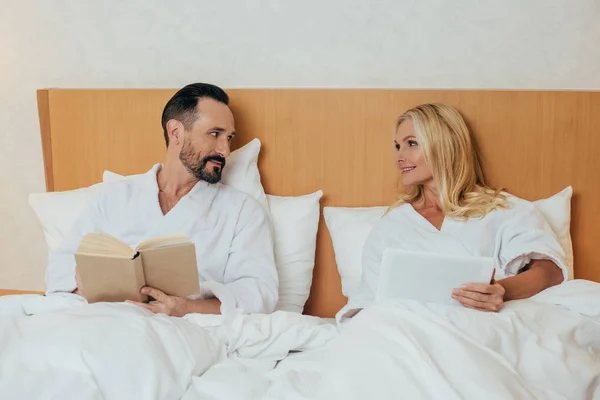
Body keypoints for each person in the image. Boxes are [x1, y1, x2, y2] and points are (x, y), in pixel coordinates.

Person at [45, 83, 279, 316]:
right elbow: (59, 269)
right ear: (176, 132)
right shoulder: (114, 196)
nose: (225, 150)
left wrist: (185, 308)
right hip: (102, 319)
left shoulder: (241, 211)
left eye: (229, 138)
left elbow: (258, 293)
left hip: (179, 330)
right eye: (215, 134)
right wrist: (85, 287)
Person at [337, 103, 567, 322]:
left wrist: (502, 291)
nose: (400, 156)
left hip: (482, 324)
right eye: (397, 146)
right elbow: (368, 301)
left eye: (412, 143)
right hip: (408, 329)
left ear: (444, 145)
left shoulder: (503, 209)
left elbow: (550, 271)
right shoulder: (392, 225)